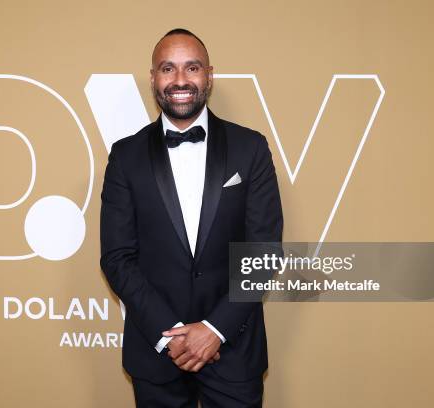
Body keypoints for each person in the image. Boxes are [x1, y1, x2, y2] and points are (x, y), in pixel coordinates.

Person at [100, 28, 284, 407]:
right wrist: (173, 336)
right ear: (153, 78)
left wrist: (215, 329)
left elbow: (264, 251)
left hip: (234, 348)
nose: (180, 80)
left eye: (192, 68)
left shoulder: (250, 148)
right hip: (157, 351)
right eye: (168, 69)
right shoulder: (125, 156)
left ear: (209, 75)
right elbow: (117, 257)